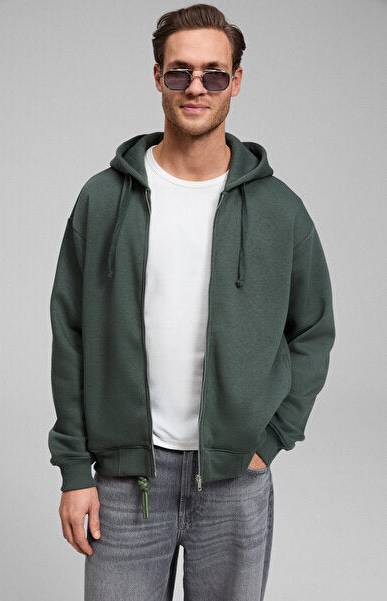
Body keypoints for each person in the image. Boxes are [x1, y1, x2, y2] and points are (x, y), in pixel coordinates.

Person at [48, 4, 336, 600]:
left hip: (235, 481)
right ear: (158, 77)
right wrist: (75, 470)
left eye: (214, 73)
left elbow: (312, 330)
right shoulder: (102, 199)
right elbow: (70, 334)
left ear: (237, 81)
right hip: (125, 481)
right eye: (180, 72)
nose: (196, 87)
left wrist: (272, 439)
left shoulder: (279, 210)